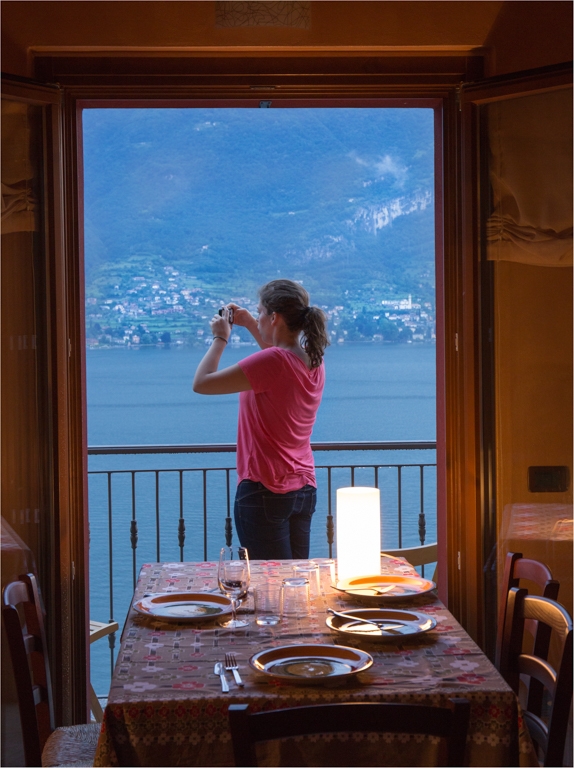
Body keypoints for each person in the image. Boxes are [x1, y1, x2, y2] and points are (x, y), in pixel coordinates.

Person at [193, 279, 328, 559]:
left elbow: (202, 383)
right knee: (294, 582)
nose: (257, 317)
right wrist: (250, 324)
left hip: (264, 487)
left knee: (268, 584)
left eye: (260, 312)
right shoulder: (313, 361)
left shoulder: (274, 362)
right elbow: (276, 352)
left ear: (274, 317)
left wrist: (221, 337)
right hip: (303, 488)